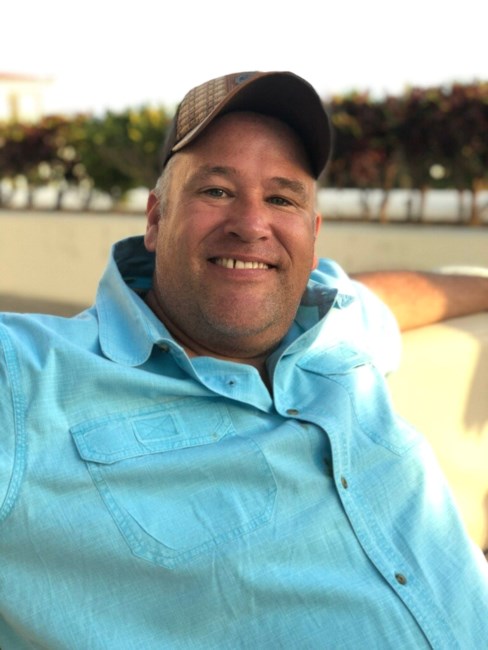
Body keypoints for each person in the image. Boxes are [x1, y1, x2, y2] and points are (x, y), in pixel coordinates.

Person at [0, 71, 487, 650]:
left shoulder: (332, 320)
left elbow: (395, 296)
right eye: (217, 191)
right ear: (155, 219)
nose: (252, 225)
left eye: (281, 199)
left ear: (312, 238)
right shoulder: (28, 374)